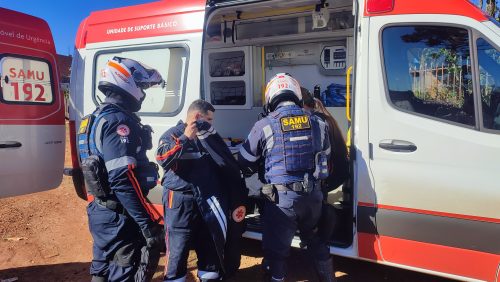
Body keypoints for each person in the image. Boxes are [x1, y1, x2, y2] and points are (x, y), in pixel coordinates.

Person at [238, 73, 335, 282]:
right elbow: (326, 156)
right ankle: (328, 278)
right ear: (296, 95)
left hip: (282, 202)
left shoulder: (264, 125)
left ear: (271, 98)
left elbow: (245, 161)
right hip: (313, 198)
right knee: (315, 240)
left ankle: (276, 277)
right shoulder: (319, 123)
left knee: (277, 251)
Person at [78, 57, 165, 282]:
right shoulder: (118, 121)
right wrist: (146, 223)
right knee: (124, 268)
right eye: (143, 86)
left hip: (100, 210)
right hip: (119, 214)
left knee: (102, 267)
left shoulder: (93, 118)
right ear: (128, 82)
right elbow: (121, 178)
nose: (143, 93)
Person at [156, 99, 247, 282]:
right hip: (181, 201)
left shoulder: (207, 136)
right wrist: (185, 139)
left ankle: (210, 276)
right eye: (209, 119)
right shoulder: (172, 135)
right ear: (197, 116)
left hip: (206, 199)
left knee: (209, 243)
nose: (211, 124)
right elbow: (163, 158)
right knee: (178, 247)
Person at [301, 87, 349, 192]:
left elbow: (324, 155)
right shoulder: (324, 117)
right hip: (341, 172)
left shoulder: (315, 122)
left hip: (331, 177)